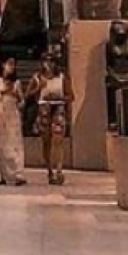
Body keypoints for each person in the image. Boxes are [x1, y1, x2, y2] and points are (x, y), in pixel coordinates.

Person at [27, 48, 74, 185]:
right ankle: (49, 170)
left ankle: (59, 169)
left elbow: (71, 95)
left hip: (58, 107)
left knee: (58, 140)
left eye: (51, 61)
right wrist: (39, 87)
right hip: (44, 108)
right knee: (46, 141)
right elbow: (27, 94)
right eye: (46, 61)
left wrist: (60, 98)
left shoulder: (62, 77)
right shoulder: (37, 77)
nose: (49, 64)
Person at [0, 57, 26, 186]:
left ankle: (16, 175)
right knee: (0, 145)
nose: (12, 67)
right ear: (3, 64)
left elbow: (22, 101)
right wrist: (0, 92)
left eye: (14, 64)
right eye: (10, 64)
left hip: (12, 116)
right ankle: (4, 174)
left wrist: (16, 96)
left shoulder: (16, 82)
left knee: (14, 145)